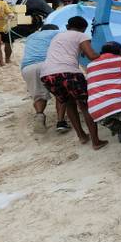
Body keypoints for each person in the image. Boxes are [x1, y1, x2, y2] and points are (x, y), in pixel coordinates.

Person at [40, 16, 106, 150]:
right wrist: (112, 56)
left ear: (68, 26)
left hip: (47, 74)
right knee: (85, 106)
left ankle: (82, 136)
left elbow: (67, 51)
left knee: (69, 104)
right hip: (68, 73)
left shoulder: (58, 36)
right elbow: (91, 56)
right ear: (83, 28)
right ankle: (96, 141)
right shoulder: (81, 35)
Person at [21, 24, 69, 133]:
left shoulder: (31, 36)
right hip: (48, 65)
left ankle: (39, 115)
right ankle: (61, 122)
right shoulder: (57, 33)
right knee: (60, 93)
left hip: (28, 68)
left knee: (39, 95)